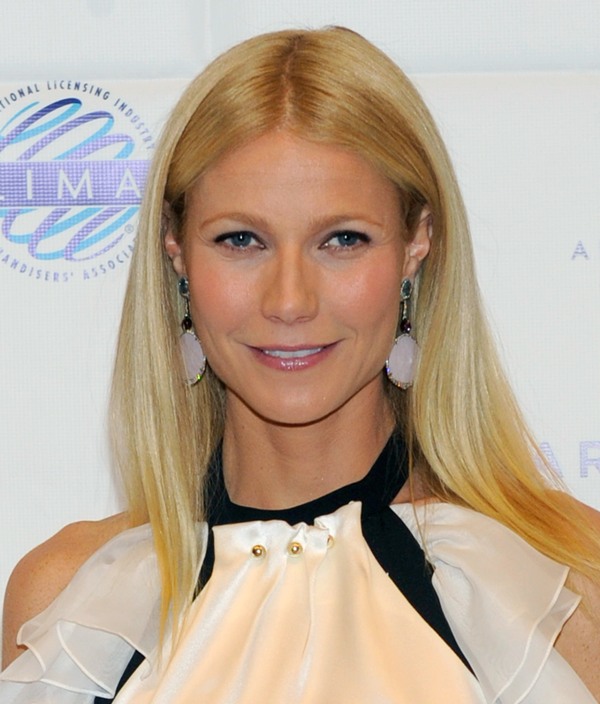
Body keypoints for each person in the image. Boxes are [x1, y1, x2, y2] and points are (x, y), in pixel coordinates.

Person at [1, 26, 599, 703]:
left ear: (417, 243)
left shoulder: (563, 582)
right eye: (241, 240)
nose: (289, 301)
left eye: (342, 240)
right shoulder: (70, 603)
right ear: (175, 249)